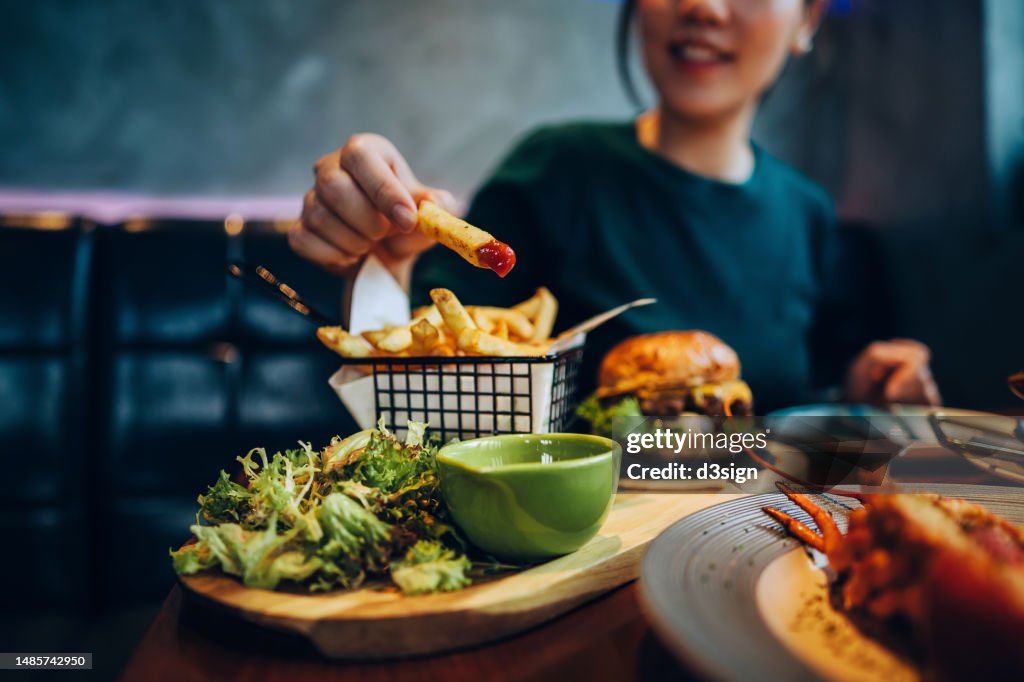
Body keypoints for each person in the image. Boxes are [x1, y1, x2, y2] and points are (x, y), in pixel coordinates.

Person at [289, 0, 941, 413]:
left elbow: (805, 403)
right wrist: (385, 257)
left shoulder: (809, 214)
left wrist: (868, 387)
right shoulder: (554, 170)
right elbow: (423, 373)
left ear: (808, 18)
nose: (704, 8)